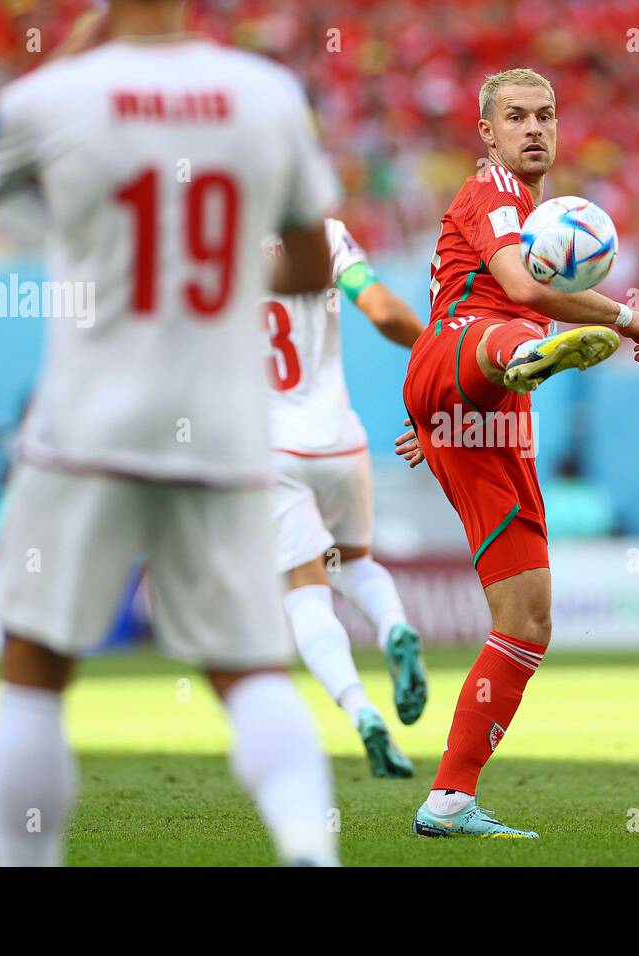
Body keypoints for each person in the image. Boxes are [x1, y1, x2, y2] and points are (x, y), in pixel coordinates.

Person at [0, 0, 343, 866]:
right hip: (225, 432)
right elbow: (310, 265)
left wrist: (63, 68)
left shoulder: (62, 94)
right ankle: (311, 850)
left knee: (36, 676)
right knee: (251, 672)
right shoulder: (267, 94)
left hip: (86, 426)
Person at [397, 67, 639, 837]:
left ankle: (448, 798)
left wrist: (446, 413)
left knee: (527, 618)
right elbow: (521, 284)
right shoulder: (496, 190)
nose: (534, 129)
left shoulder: (530, 210)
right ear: (488, 133)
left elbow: (519, 281)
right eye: (516, 117)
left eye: (546, 115)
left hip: (476, 414)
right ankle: (522, 357)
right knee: (516, 326)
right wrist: (627, 315)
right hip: (462, 355)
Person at [265, 217, 428, 778]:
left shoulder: (217, 245)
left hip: (271, 449)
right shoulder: (324, 234)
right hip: (338, 439)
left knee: (304, 588)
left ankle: (362, 712)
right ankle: (393, 628)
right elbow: (382, 311)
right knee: (356, 563)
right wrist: (439, 349)